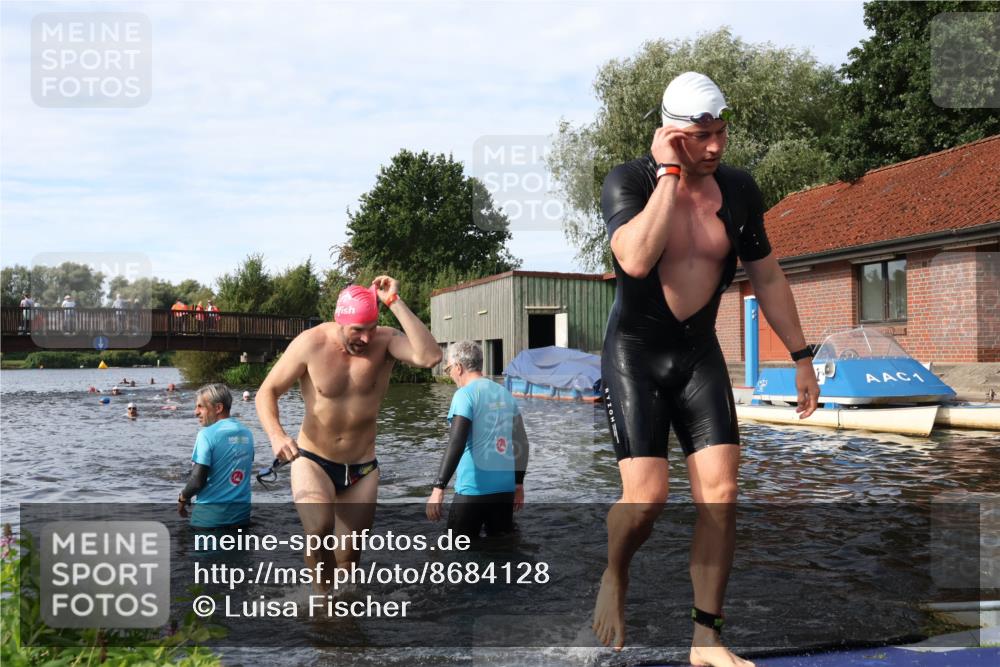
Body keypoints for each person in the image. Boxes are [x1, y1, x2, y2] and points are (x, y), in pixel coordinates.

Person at [592, 72, 820, 664]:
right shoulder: (629, 181)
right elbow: (637, 259)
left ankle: (706, 640)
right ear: (671, 135)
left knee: (721, 495)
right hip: (635, 354)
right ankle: (616, 573)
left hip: (697, 355)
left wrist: (802, 358)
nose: (717, 146)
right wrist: (669, 174)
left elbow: (766, 275)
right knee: (647, 500)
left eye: (722, 132)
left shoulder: (740, 189)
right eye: (703, 137)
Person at [256, 276, 441, 589]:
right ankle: (322, 603)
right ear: (339, 320)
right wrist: (276, 435)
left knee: (349, 559)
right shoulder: (310, 343)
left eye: (371, 328)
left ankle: (343, 612)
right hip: (312, 458)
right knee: (318, 532)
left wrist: (394, 302)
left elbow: (429, 356)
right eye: (358, 330)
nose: (367, 338)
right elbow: (267, 391)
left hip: (362, 468)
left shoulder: (385, 341)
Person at [425, 341, 529, 539]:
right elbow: (522, 442)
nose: (450, 374)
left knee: (456, 553)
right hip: (505, 491)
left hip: (473, 490)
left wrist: (439, 487)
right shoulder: (505, 394)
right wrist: (519, 484)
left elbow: (456, 442)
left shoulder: (464, 395)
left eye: (448, 368)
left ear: (458, 367)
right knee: (502, 552)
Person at [178, 384, 254, 528]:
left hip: (209, 521)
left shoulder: (206, 435)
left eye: (201, 407)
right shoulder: (247, 433)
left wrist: (182, 499)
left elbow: (197, 481)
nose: (196, 412)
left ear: (218, 408)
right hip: (241, 518)